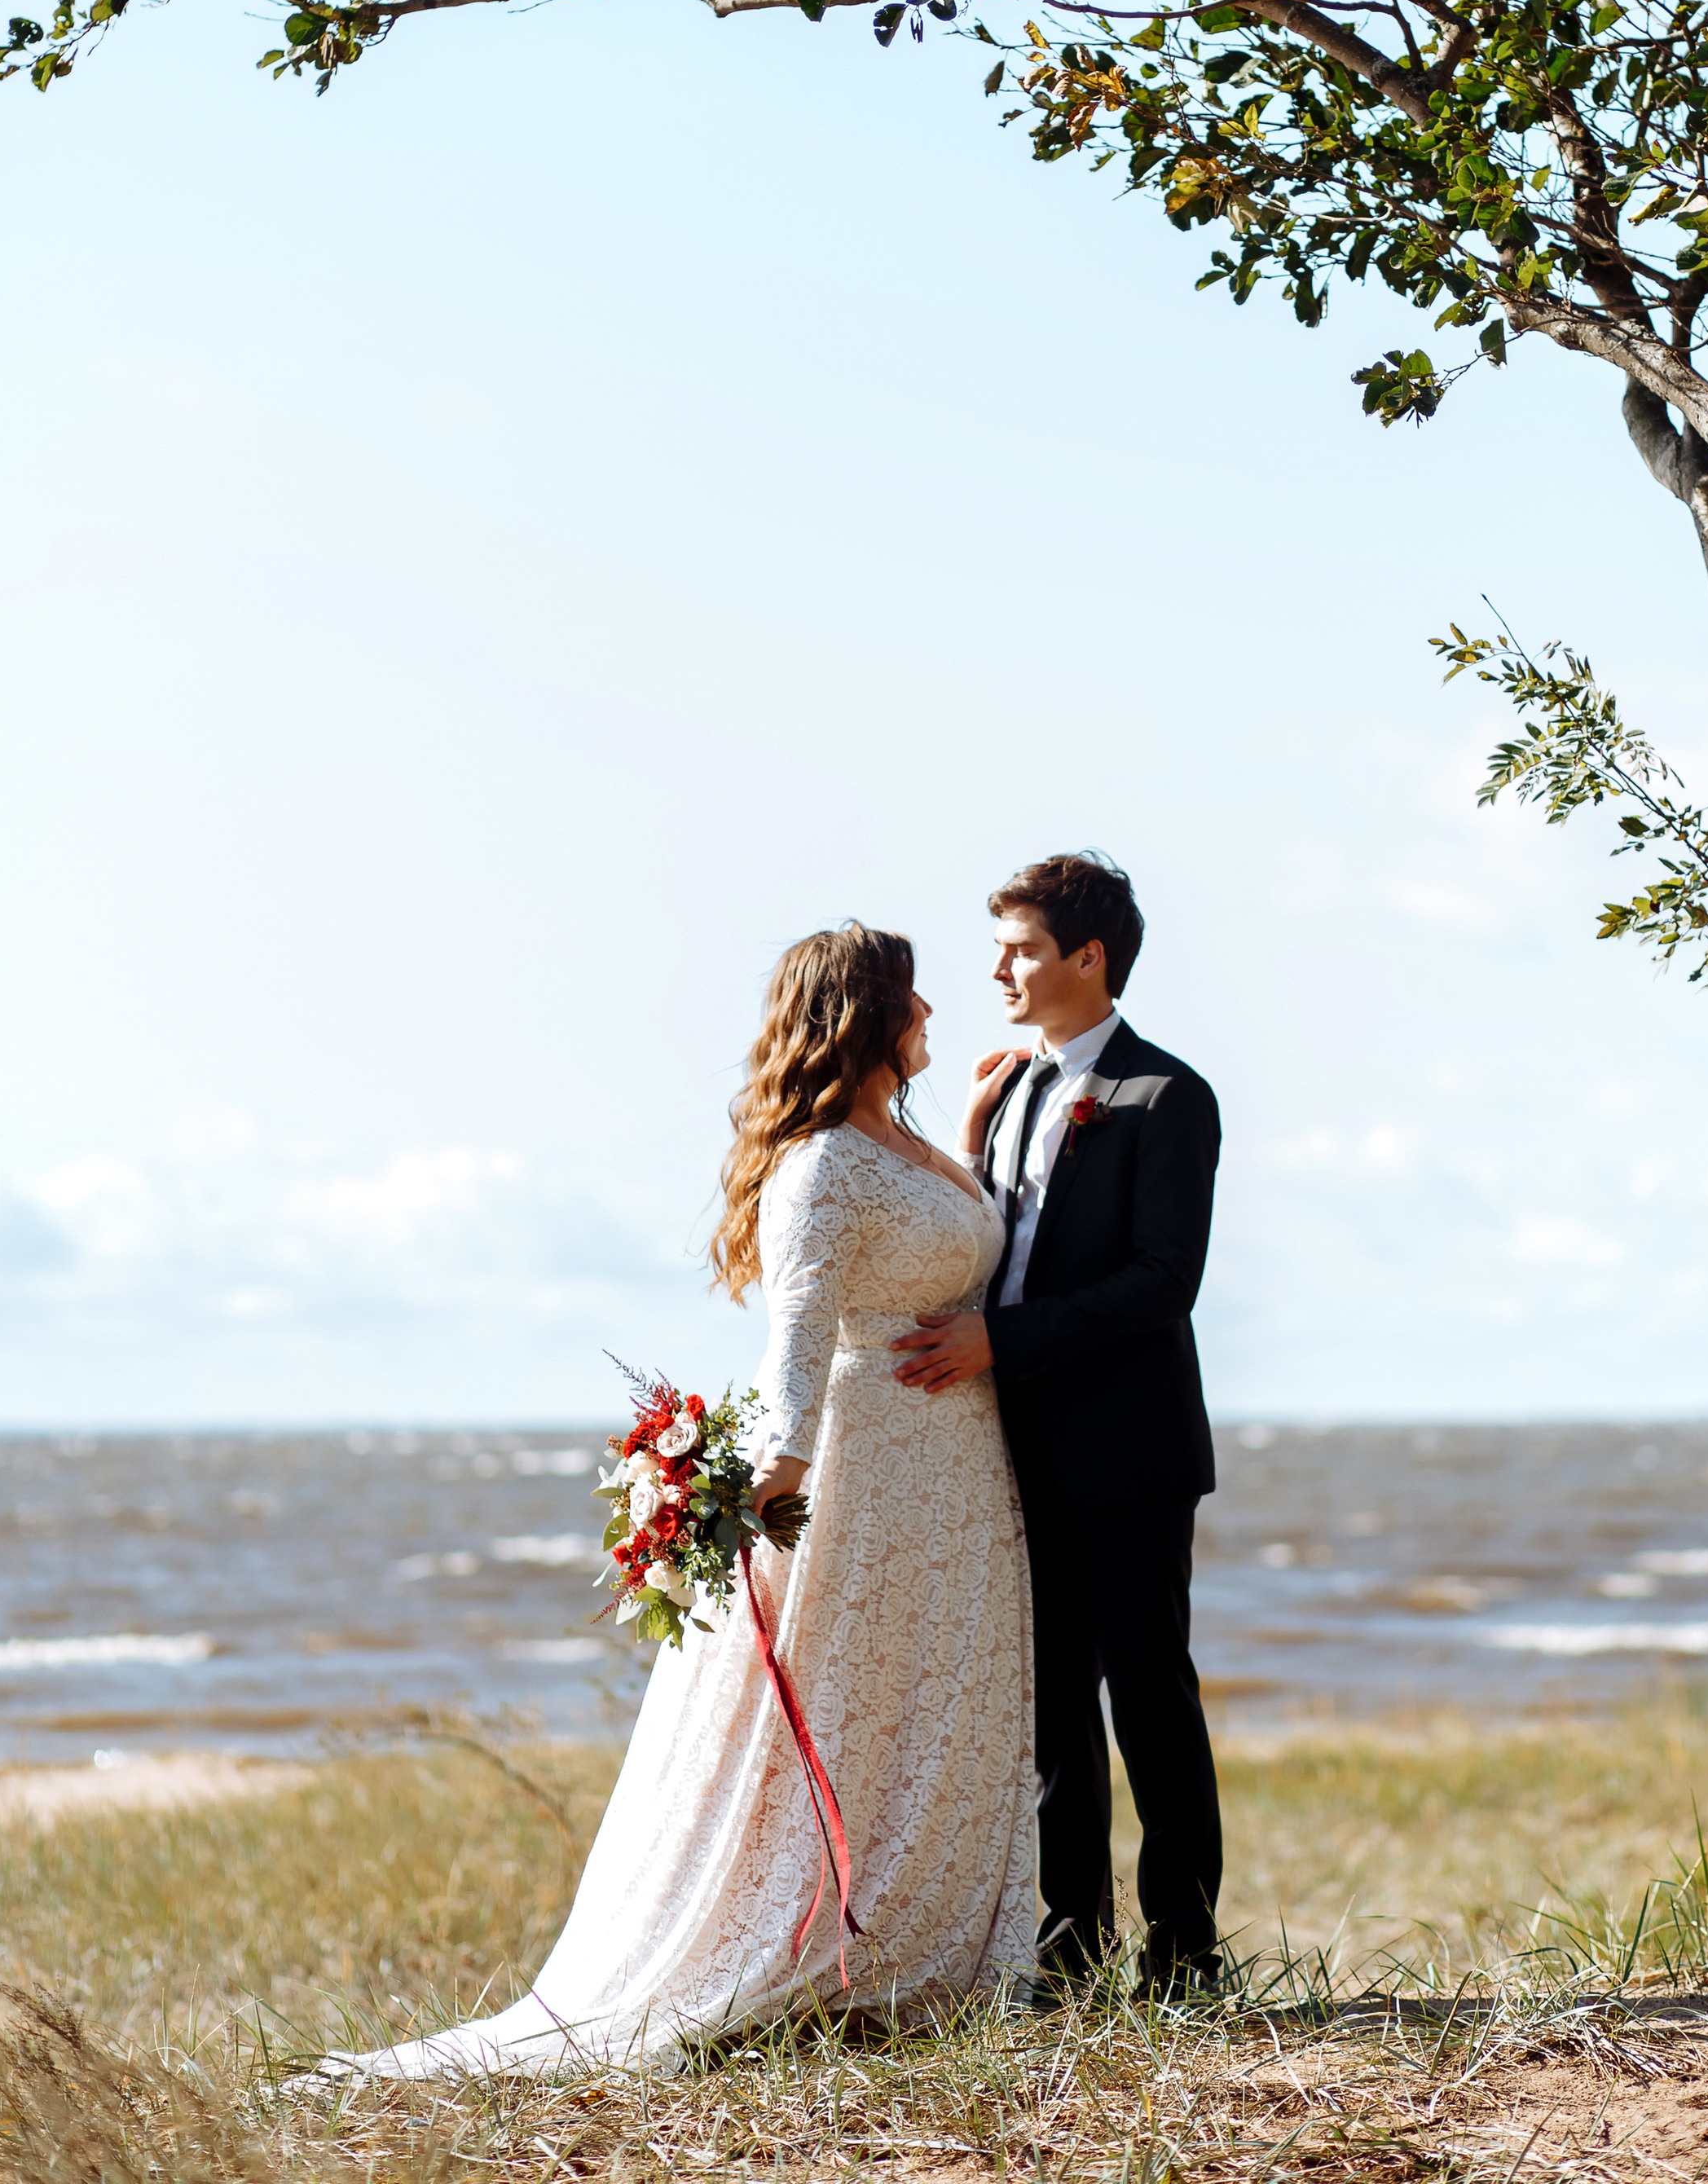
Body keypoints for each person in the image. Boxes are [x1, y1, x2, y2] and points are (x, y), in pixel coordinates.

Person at [319, 925, 1037, 2076]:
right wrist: (781, 1482)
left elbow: (945, 1245)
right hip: (866, 1466)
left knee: (930, 1698)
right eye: (912, 997)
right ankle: (823, 1951)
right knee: (849, 1699)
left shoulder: (900, 1141)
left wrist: (960, 1147)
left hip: (957, 1466)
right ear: (863, 1013)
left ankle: (926, 1948)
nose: (933, 1013)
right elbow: (798, 1330)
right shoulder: (818, 1165)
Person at [892, 853, 1224, 2000]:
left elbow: (1159, 1284)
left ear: (1089, 957)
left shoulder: (1167, 1096)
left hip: (1130, 1451)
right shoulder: (1015, 1090)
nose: (1001, 970)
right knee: (1047, 1711)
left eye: (1023, 949)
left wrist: (1002, 1345)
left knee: (1147, 1697)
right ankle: (1068, 1948)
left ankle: (1184, 1955)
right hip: (1010, 1446)